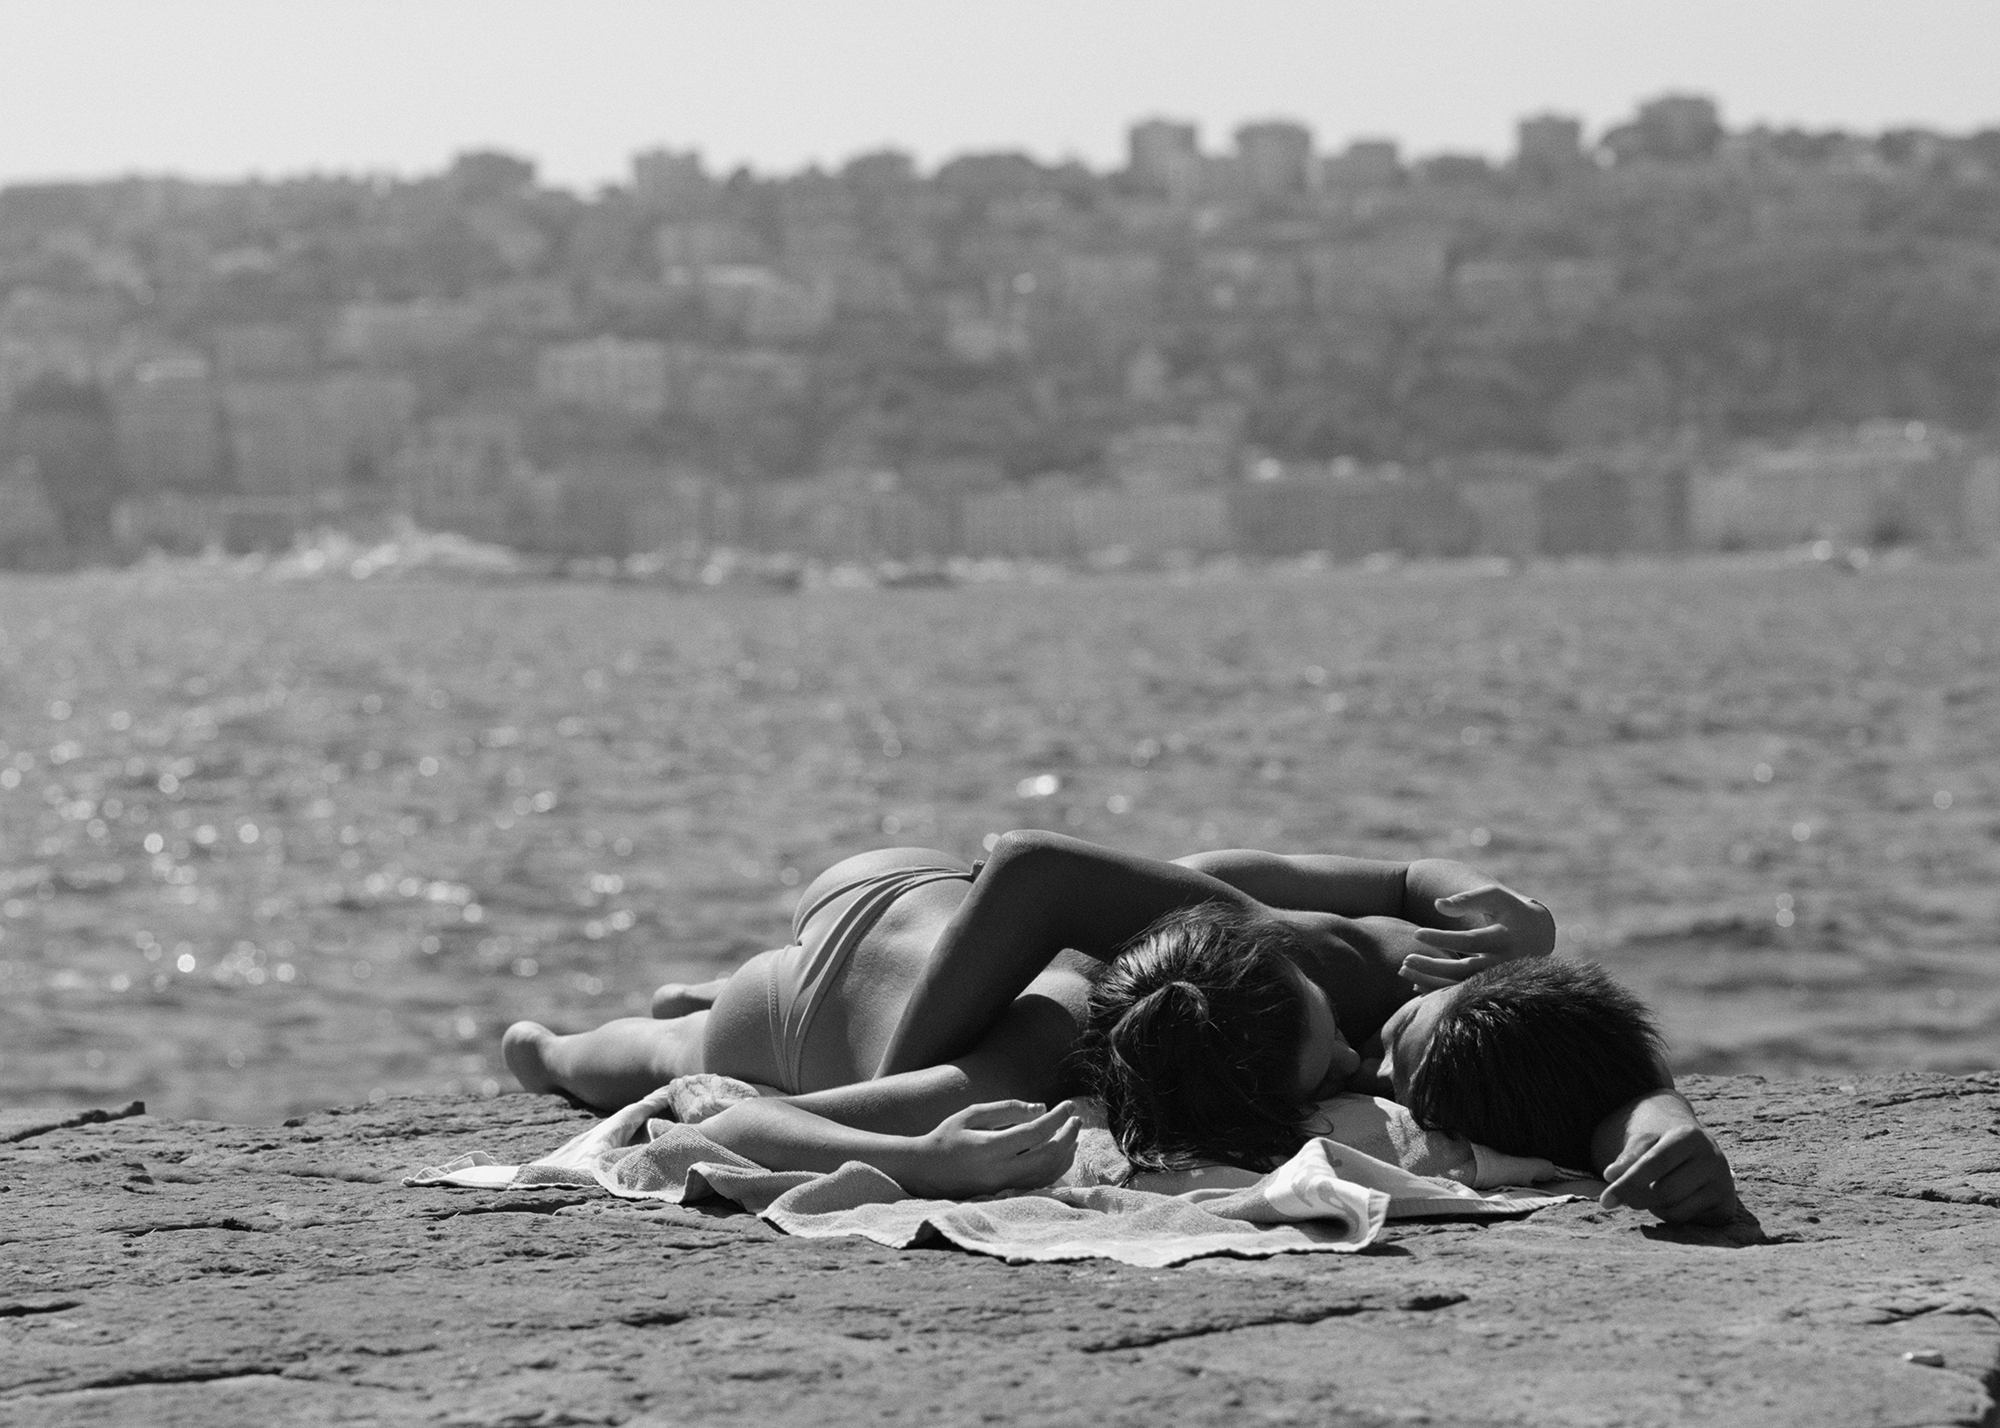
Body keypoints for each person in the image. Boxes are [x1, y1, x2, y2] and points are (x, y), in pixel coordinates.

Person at [504, 831, 1733, 1220]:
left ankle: (646, 1014)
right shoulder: (1036, 1051)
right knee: (670, 1052)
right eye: (1364, 1051)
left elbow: (1575, 1051)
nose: (1374, 1055)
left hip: (921, 914)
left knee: (689, 1029)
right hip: (859, 943)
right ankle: (553, 1048)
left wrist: (1653, 1113)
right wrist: (923, 1130)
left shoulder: (1300, 969)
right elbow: (705, 1121)